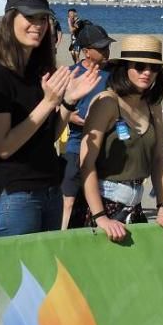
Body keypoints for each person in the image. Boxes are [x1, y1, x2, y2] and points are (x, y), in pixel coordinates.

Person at [0, 0, 100, 237]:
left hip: (49, 189)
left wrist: (67, 102)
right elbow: (3, 146)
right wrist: (48, 102)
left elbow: (48, 135)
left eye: (43, 18)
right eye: (29, 17)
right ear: (10, 20)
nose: (38, 25)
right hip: (14, 195)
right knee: (13, 275)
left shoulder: (37, 72)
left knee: (47, 274)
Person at [80, 35, 163, 241]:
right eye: (140, 66)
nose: (147, 73)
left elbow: (159, 158)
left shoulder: (152, 106)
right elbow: (86, 163)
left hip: (135, 207)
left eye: (153, 68)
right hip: (104, 204)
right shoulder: (107, 102)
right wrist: (100, 217)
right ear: (125, 67)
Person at [61, 21, 114, 229]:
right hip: (76, 146)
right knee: (69, 199)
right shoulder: (70, 73)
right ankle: (62, 238)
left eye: (107, 46)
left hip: (105, 147)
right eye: (101, 47)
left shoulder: (113, 75)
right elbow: (56, 108)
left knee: (100, 200)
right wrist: (71, 117)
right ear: (86, 52)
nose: (106, 51)